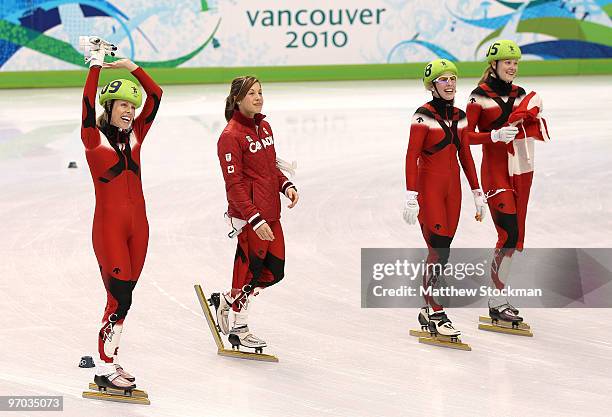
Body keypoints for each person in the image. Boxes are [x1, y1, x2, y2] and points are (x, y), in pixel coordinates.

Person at [80, 37, 162, 389]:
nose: (130, 110)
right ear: (109, 107)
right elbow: (85, 104)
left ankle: (110, 360)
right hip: (109, 229)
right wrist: (95, 66)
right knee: (118, 296)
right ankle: (105, 364)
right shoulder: (93, 140)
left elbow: (156, 95)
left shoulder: (137, 137)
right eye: (123, 105)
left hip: (139, 228)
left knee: (125, 299)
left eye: (133, 105)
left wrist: (129, 66)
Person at [211, 76, 299, 352]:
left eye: (260, 92)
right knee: (250, 272)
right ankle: (239, 327)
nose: (258, 97)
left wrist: (285, 185)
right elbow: (233, 184)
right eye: (251, 93)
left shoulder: (264, 127)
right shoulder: (230, 136)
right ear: (238, 99)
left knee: (274, 271)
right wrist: (254, 218)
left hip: (270, 211)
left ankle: (227, 300)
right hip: (250, 217)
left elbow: (269, 167)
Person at [465, 40, 548, 325]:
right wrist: (493, 136)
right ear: (494, 65)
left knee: (513, 236)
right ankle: (496, 301)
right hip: (494, 174)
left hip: (516, 170)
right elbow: (464, 137)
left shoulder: (520, 94)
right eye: (507, 62)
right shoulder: (479, 97)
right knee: (508, 233)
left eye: (515, 63)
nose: (512, 67)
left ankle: (497, 298)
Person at [404, 59, 487, 338]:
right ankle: (437, 311)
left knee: (443, 251)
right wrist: (411, 195)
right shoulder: (422, 115)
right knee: (438, 249)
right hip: (429, 190)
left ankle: (427, 308)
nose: (450, 83)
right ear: (432, 85)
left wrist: (477, 192)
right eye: (443, 79)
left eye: (453, 78)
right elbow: (411, 155)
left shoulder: (461, 116)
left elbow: (465, 155)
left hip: (453, 191)